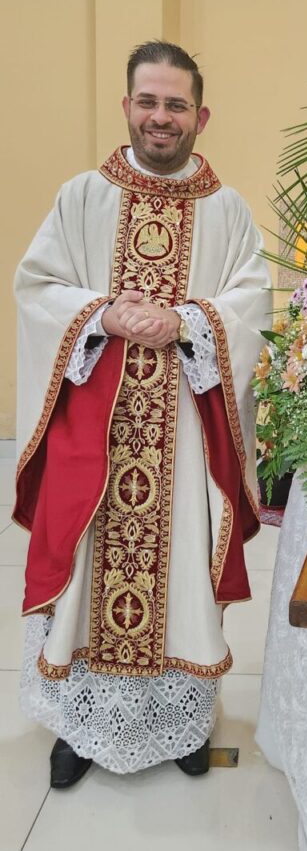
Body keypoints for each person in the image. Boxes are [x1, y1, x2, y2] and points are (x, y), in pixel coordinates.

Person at [13, 40, 271, 787]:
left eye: (176, 105)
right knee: (85, 567)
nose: (162, 117)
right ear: (127, 106)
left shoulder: (227, 211)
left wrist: (185, 321)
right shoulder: (81, 198)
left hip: (186, 437)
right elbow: (37, 289)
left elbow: (251, 305)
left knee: (183, 568)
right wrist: (104, 314)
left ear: (201, 116)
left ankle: (182, 721)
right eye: (149, 102)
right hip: (93, 430)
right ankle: (81, 725)